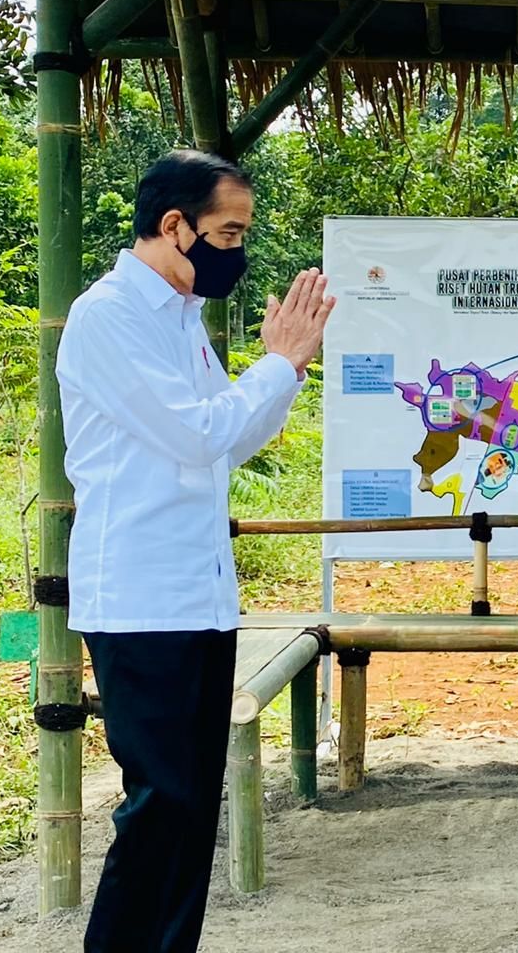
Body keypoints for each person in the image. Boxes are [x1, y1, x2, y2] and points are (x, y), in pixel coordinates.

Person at [56, 150, 336, 953]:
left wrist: (279, 372)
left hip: (199, 597)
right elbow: (199, 430)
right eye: (228, 233)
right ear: (174, 226)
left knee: (189, 806)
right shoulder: (109, 316)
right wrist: (280, 362)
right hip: (142, 599)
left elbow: (232, 439)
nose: (237, 253)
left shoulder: (181, 321)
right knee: (160, 804)